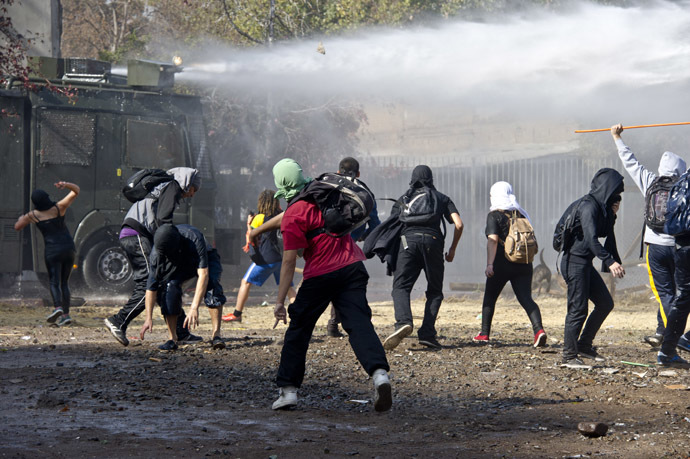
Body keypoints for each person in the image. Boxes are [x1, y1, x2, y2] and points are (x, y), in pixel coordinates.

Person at [269, 158, 392, 412]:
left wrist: (280, 301)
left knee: (299, 328)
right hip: (352, 267)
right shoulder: (327, 192)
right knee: (358, 323)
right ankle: (380, 375)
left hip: (321, 275)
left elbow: (290, 260)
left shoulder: (293, 214)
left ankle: (288, 391)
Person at [611, 124, 690, 350]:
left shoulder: (649, 181)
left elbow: (630, 161)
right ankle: (670, 334)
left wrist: (616, 136)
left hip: (654, 247)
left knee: (665, 293)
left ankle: (670, 336)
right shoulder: (685, 186)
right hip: (680, 246)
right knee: (679, 292)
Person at [104, 167, 202, 346]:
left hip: (136, 234)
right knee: (150, 284)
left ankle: (180, 331)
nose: (193, 194)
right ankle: (119, 321)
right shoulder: (172, 186)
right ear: (188, 184)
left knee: (161, 282)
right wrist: (170, 243)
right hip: (136, 235)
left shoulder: (166, 186)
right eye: (194, 189)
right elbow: (163, 220)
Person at [382, 165, 464, 350]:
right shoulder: (441, 198)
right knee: (434, 291)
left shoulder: (403, 199)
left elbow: (393, 227)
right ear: (431, 179)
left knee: (401, 286)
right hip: (433, 243)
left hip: (407, 243)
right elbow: (458, 225)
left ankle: (403, 322)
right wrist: (452, 249)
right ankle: (427, 334)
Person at [560, 168, 625, 369]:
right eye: (615, 194)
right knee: (578, 309)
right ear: (606, 189)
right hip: (574, 263)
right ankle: (569, 356)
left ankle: (584, 346)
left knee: (605, 303)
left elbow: (603, 232)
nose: (617, 198)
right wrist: (610, 261)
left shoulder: (601, 208)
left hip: (585, 264)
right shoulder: (588, 207)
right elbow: (591, 239)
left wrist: (612, 215)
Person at [473, 181, 547, 347]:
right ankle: (539, 331)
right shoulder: (522, 214)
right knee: (526, 298)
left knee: (490, 298)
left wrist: (489, 265)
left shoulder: (494, 215)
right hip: (523, 263)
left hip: (501, 263)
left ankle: (484, 334)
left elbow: (492, 241)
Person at [139, 224, 227, 350]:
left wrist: (194, 308)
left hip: (206, 257)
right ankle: (173, 338)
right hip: (178, 262)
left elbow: (204, 275)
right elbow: (151, 287)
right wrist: (148, 318)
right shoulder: (157, 254)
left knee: (212, 284)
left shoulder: (194, 238)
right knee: (169, 287)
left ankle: (216, 335)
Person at [325, 157, 382, 338]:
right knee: (355, 282)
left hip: (325, 243)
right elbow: (375, 224)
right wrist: (363, 237)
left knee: (330, 283)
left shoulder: (329, 187)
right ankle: (353, 324)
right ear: (358, 174)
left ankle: (333, 324)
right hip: (348, 248)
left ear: (339, 171)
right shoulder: (364, 193)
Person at [222, 190, 296, 323]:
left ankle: (237, 314)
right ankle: (299, 314)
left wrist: (248, 224)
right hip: (282, 259)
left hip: (266, 260)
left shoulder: (259, 218)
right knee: (288, 287)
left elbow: (250, 237)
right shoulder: (282, 215)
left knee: (245, 282)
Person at [14, 181, 80, 326]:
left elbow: (17, 227)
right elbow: (76, 191)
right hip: (68, 249)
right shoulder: (59, 208)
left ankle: (57, 308)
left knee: (54, 282)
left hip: (52, 251)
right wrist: (66, 185)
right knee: (64, 283)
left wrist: (21, 218)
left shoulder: (33, 215)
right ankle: (66, 316)